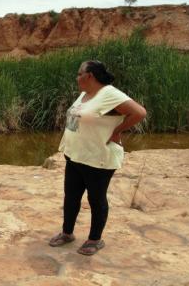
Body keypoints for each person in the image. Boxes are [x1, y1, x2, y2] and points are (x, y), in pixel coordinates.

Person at [49, 60, 147, 255]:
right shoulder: (85, 95)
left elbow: (139, 112)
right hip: (76, 155)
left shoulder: (109, 94)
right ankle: (67, 233)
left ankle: (95, 239)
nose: (77, 78)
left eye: (79, 74)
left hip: (98, 158)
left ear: (90, 76)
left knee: (96, 198)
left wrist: (117, 131)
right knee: (71, 197)